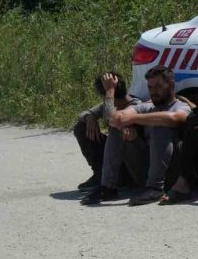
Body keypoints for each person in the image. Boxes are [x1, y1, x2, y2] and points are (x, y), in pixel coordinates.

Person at [80, 66, 191, 206]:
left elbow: (174, 118)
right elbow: (114, 118)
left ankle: (155, 188)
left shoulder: (182, 107)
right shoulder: (146, 107)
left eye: (158, 86)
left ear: (171, 85)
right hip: (144, 170)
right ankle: (108, 187)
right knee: (117, 128)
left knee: (160, 124)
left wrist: (133, 119)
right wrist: (110, 93)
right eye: (150, 87)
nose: (153, 92)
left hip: (173, 174)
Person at [72, 72, 139, 191]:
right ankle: (99, 174)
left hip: (133, 164)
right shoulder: (109, 105)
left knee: (116, 127)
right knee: (81, 127)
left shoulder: (136, 105)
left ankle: (122, 179)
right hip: (114, 158)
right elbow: (83, 113)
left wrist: (110, 90)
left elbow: (113, 118)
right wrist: (90, 117)